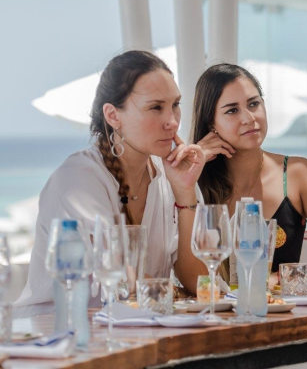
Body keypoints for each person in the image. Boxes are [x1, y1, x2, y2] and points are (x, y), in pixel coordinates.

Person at [14, 50, 205, 317]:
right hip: (56, 337)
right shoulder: (78, 179)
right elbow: (124, 279)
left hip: (137, 333)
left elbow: (198, 281)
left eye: (175, 105)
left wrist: (185, 193)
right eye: (155, 107)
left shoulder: (171, 175)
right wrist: (176, 294)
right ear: (113, 116)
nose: (172, 122)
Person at [176, 63, 307, 290]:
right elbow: (192, 279)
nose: (249, 118)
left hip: (283, 314)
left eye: (254, 104)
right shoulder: (191, 182)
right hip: (214, 317)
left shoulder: (297, 173)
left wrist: (286, 275)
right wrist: (188, 178)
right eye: (232, 110)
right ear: (211, 123)